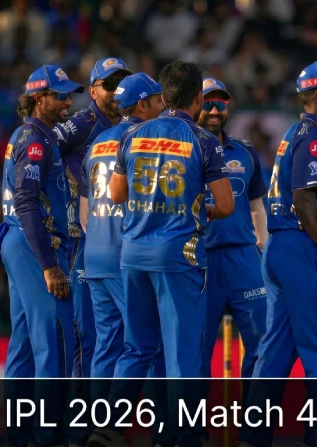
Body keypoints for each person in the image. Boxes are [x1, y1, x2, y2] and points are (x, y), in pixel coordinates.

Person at [86, 61, 234, 447]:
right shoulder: (203, 140)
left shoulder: (132, 135)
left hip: (133, 254)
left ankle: (108, 427)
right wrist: (198, 207)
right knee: (183, 354)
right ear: (198, 98)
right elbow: (226, 204)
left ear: (164, 97)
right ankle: (186, 437)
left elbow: (117, 194)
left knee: (136, 347)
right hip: (178, 257)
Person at [241, 61, 317, 447]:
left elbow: (305, 199)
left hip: (281, 248)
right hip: (303, 249)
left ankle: (253, 438)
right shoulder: (314, 137)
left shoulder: (296, 131)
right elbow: (302, 198)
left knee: (276, 348)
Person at [0, 64, 83, 447]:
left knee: (24, 344)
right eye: (60, 95)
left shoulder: (31, 134)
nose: (67, 102)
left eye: (69, 95)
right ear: (38, 98)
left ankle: (19, 435)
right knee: (53, 339)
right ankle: (47, 436)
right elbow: (27, 201)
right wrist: (49, 266)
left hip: (20, 241)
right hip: (34, 244)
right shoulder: (36, 140)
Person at [78, 72, 174, 447]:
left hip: (95, 252)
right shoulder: (144, 139)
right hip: (125, 255)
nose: (163, 106)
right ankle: (160, 432)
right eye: (158, 100)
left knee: (107, 346)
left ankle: (98, 428)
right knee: (146, 343)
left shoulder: (98, 142)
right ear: (142, 105)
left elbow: (86, 207)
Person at [54, 57, 132, 387]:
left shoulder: (130, 129)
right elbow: (40, 146)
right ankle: (82, 415)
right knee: (88, 335)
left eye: (122, 83)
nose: (117, 90)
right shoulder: (85, 123)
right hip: (81, 239)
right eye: (109, 84)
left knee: (113, 335)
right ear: (92, 91)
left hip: (114, 240)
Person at [196, 77, 269, 378]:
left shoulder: (245, 151)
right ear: (195, 105)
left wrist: (263, 248)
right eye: (208, 104)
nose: (215, 111)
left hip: (243, 258)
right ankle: (194, 411)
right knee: (197, 349)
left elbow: (256, 205)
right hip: (201, 259)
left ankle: (255, 408)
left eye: (220, 104)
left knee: (262, 342)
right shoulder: (184, 151)